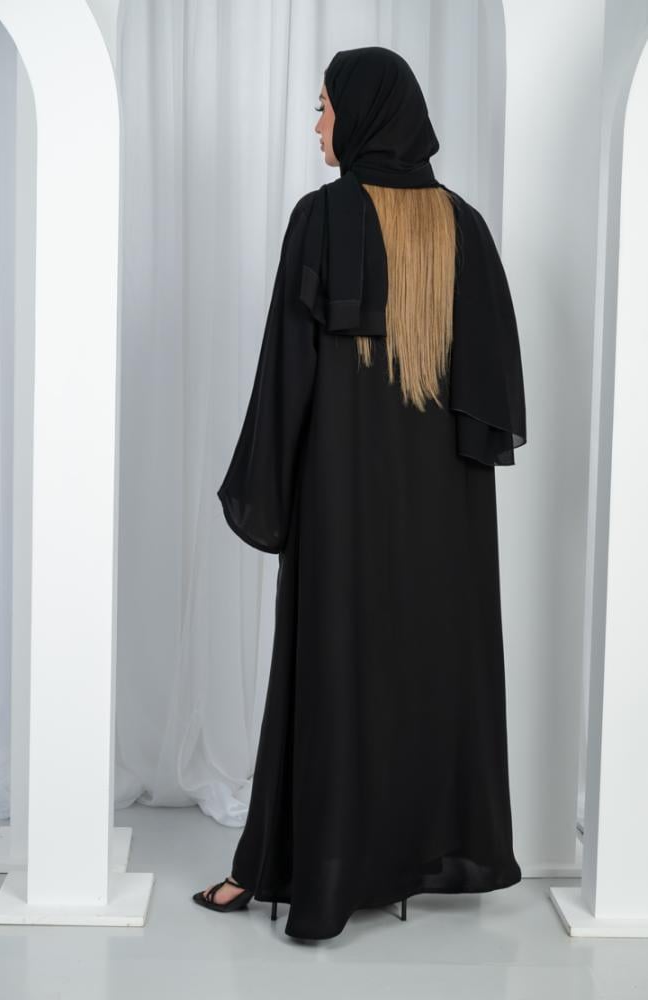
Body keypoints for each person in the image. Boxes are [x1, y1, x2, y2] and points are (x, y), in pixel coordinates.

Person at [192, 45, 526, 940]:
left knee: (334, 666)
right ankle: (410, 855)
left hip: (343, 500)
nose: (317, 126)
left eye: (324, 107)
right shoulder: (464, 228)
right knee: (424, 669)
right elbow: (493, 396)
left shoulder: (325, 219)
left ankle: (296, 869)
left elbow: (287, 372)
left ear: (362, 113)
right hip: (445, 513)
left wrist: (268, 489)